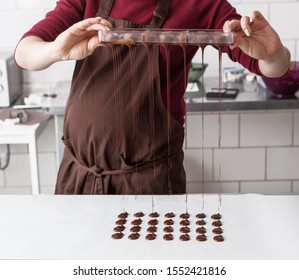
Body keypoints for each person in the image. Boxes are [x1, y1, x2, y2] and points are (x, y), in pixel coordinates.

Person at [15, 0, 290, 195]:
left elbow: (273, 68)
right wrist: (55, 51)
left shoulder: (201, 4)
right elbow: (25, 53)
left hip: (150, 183)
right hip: (78, 175)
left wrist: (273, 53)